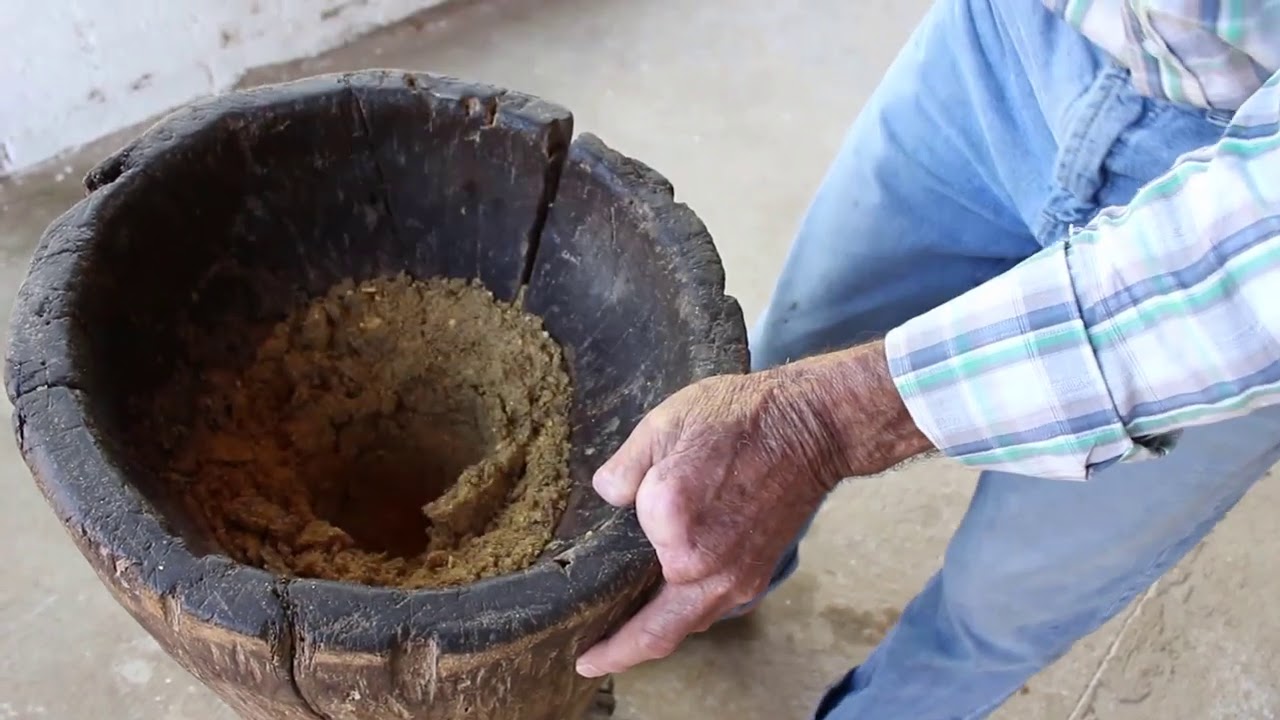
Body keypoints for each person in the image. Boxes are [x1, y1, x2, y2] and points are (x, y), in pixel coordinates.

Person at [572, 0, 1280, 718]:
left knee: (1002, 604)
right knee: (785, 358)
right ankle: (710, 591)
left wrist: (826, 423)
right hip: (1012, 41)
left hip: (1245, 206)